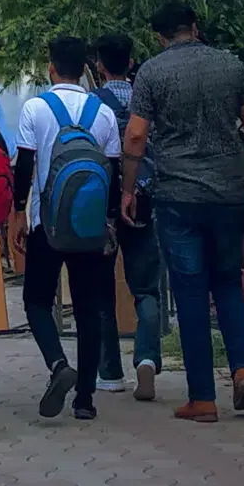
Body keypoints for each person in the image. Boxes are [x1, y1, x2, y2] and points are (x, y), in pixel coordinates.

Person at [121, 0, 244, 423]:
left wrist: (128, 190)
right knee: (227, 285)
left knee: (189, 292)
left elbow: (135, 137)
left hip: (178, 197)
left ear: (159, 36)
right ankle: (242, 370)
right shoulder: (231, 66)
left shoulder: (151, 72)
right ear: (195, 26)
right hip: (227, 193)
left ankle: (203, 398)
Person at [10, 33, 121, 422]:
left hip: (46, 223)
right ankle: (86, 400)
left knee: (37, 301)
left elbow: (24, 166)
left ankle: (58, 365)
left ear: (51, 68)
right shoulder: (102, 112)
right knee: (90, 309)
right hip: (90, 229)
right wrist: (109, 222)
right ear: (85, 70)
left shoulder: (36, 108)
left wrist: (18, 213)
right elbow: (114, 173)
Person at [89, 31, 165, 401]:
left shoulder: (93, 104)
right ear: (131, 63)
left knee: (102, 287)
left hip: (104, 204)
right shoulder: (146, 98)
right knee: (147, 287)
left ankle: (109, 372)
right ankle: (147, 358)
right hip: (144, 199)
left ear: (99, 66)